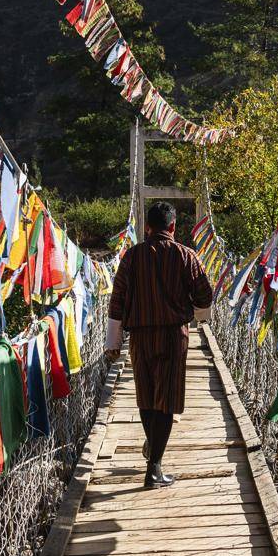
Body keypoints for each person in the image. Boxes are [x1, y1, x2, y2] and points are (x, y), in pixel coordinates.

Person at [106, 201, 214, 488]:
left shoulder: (131, 257)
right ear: (174, 228)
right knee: (165, 402)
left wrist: (112, 343)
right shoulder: (186, 256)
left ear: (147, 227)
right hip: (172, 336)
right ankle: (154, 467)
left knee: (146, 396)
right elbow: (205, 297)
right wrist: (184, 301)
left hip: (140, 337)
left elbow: (116, 302)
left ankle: (152, 450)